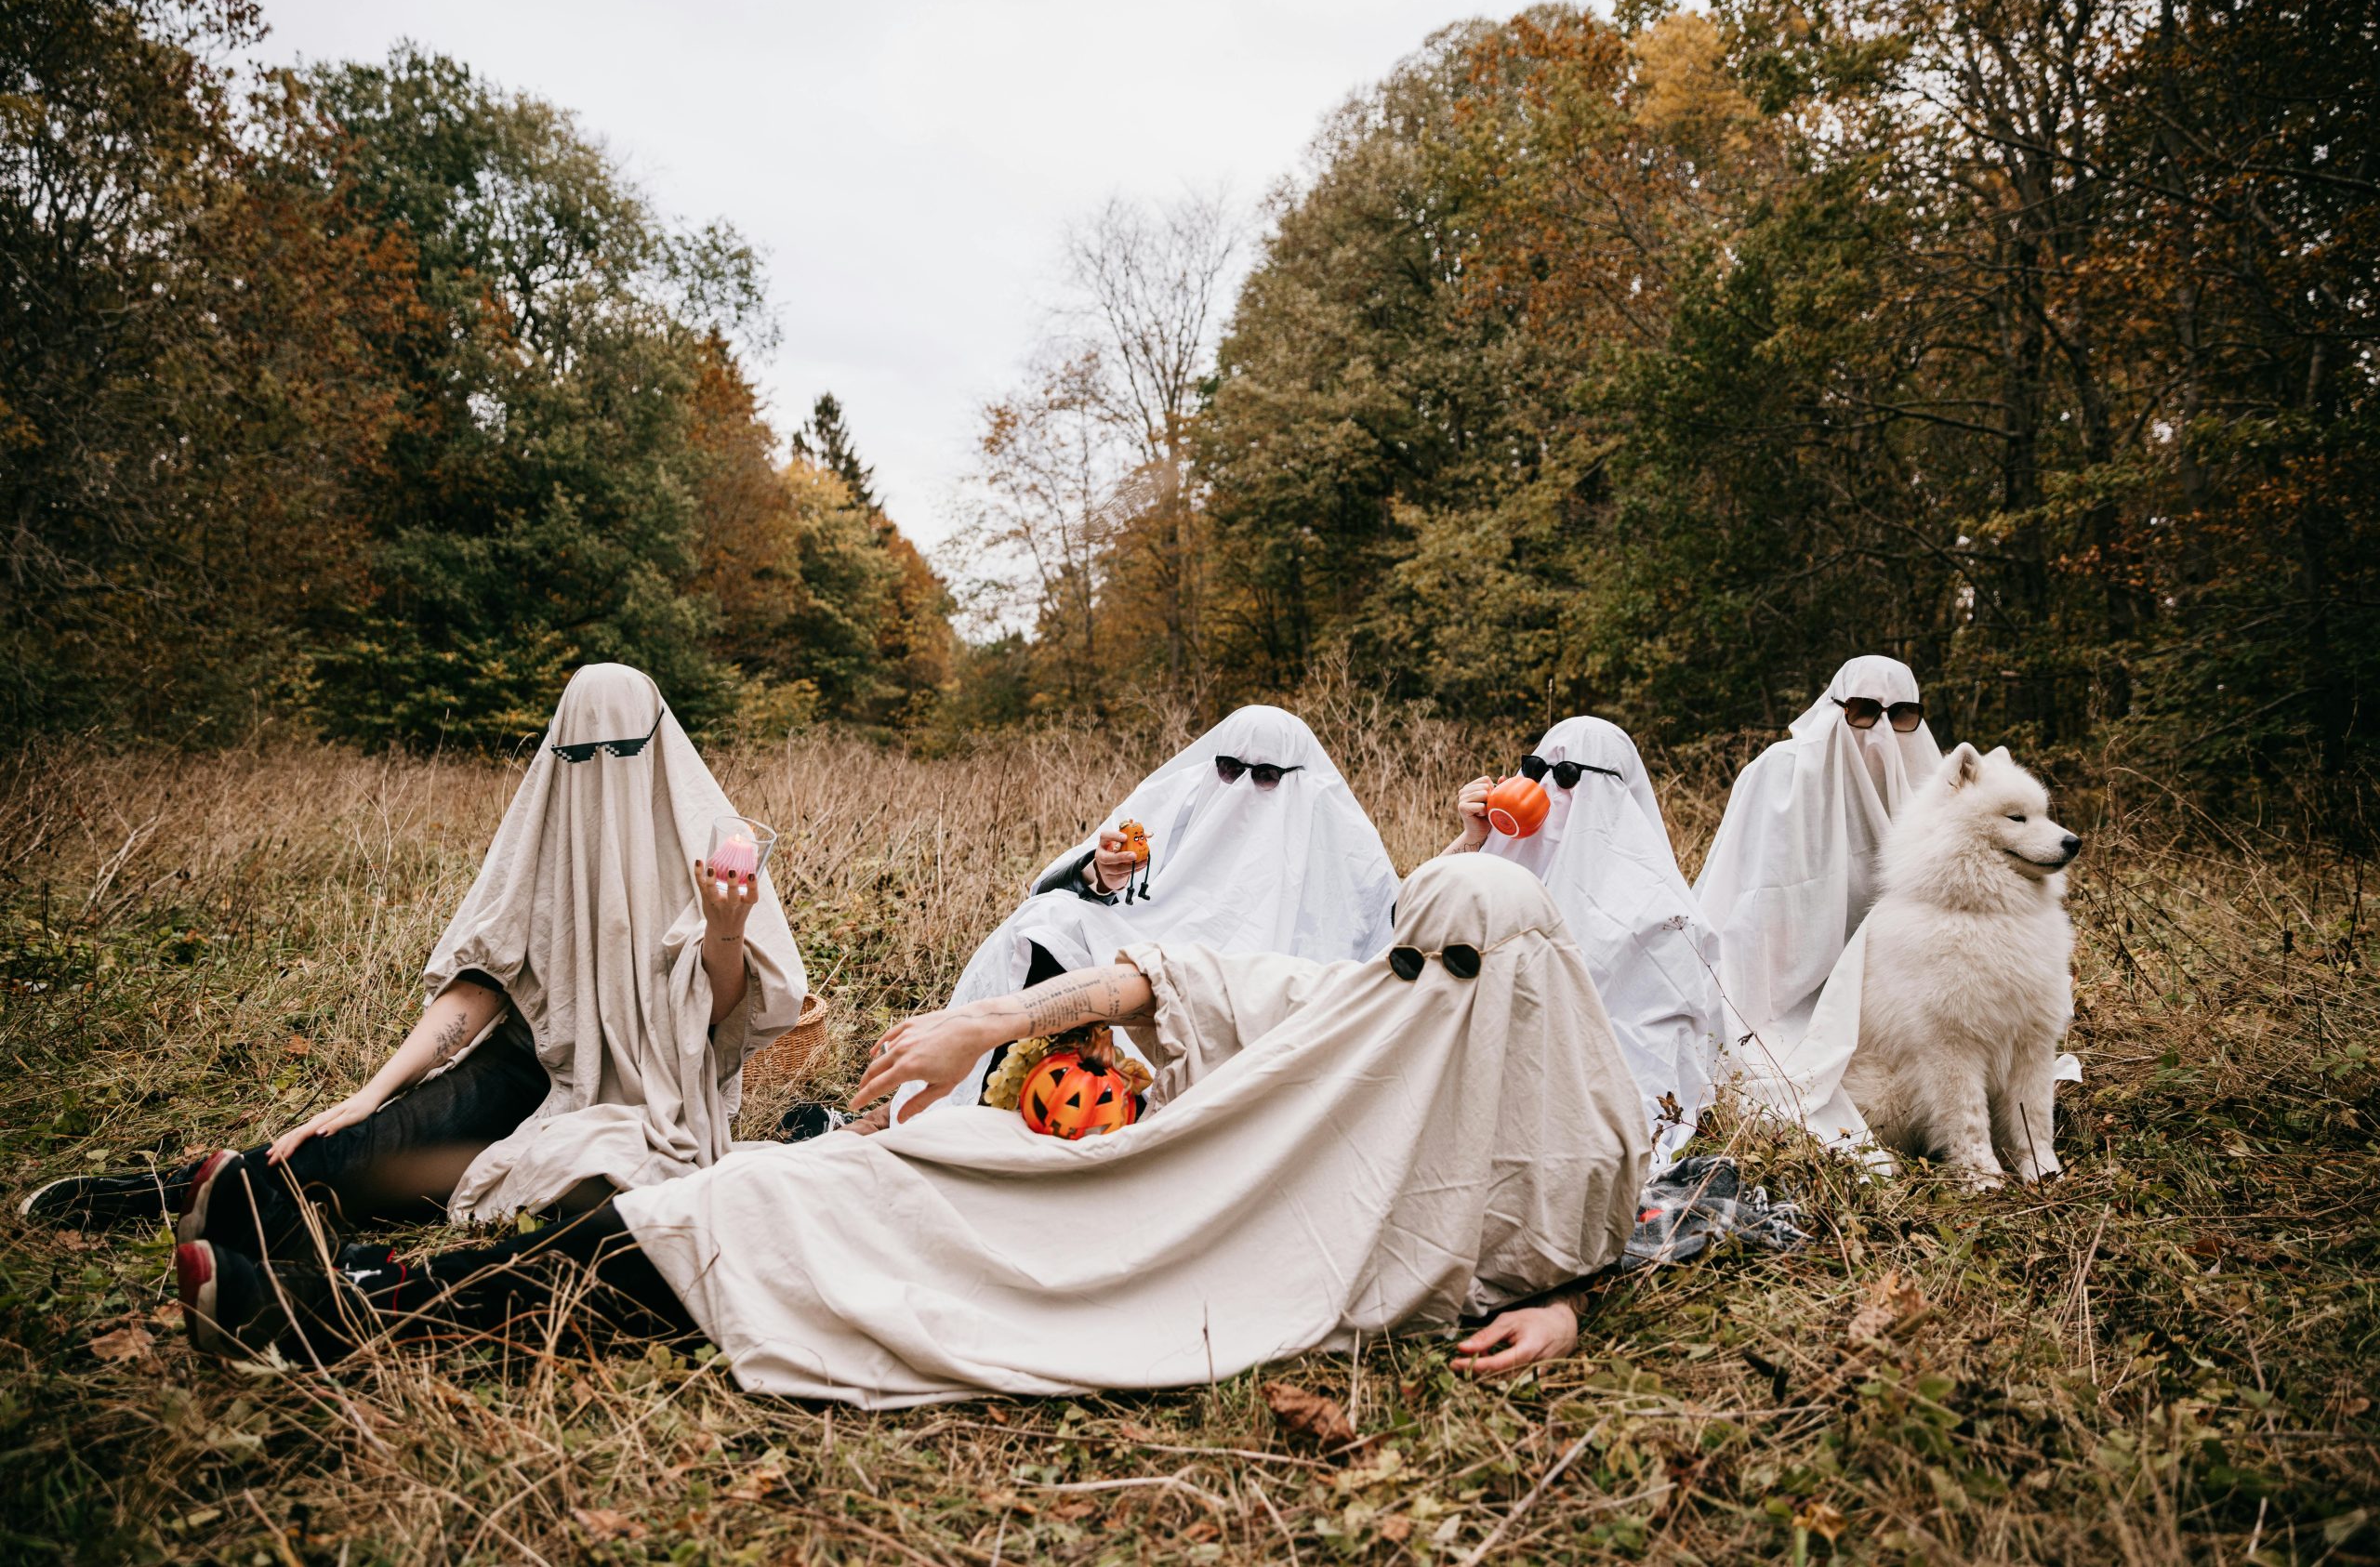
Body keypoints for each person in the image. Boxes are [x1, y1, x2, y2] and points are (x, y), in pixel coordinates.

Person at [174, 855, 1650, 1405]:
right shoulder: (1359, 1009)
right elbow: (1171, 975)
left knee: (764, 1234)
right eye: (1409, 959)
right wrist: (983, 1028)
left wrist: (1572, 1312)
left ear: (1535, 995)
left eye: (1453, 975)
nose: (1420, 994)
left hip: (1181, 1278)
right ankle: (358, 1289)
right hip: (1100, 1186)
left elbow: (1606, 1230)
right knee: (798, 1191)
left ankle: (341, 1321)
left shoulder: (1581, 1137)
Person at [23, 664, 807, 1257]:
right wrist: (373, 1091)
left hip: (654, 1084)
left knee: (591, 1193)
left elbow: (721, 1018)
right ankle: (168, 1191)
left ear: (656, 746)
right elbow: (486, 978)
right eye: (581, 752)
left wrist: (724, 931)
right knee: (364, 1152)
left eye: (619, 750)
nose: (599, 770)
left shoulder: (710, 842)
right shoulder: (545, 828)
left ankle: (242, 1204)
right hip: (534, 1061)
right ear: (557, 750)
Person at [847, 704, 1398, 1129]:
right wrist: (1102, 873)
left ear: (1296, 777)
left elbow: (1387, 923)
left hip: (1255, 978)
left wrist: (1475, 846)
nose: (1242, 791)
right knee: (1047, 918)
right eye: (1231, 769)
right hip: (1147, 942)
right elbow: (1080, 876)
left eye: (1266, 778)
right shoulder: (1185, 793)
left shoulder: (1333, 829)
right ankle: (992, 1102)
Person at [1443, 715, 1722, 1167]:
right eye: (1538, 772)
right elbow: (1414, 920)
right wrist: (1472, 839)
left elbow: (1654, 1058)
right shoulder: (1502, 867)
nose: (1556, 791)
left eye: (1572, 779)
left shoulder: (1663, 914)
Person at [1691, 655, 1941, 1146]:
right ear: (1836, 708)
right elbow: (1752, 892)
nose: (1883, 733)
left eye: (1902, 715)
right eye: (1865, 711)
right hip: (1785, 980)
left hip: (1896, 979)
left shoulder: (1931, 783)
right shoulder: (1781, 771)